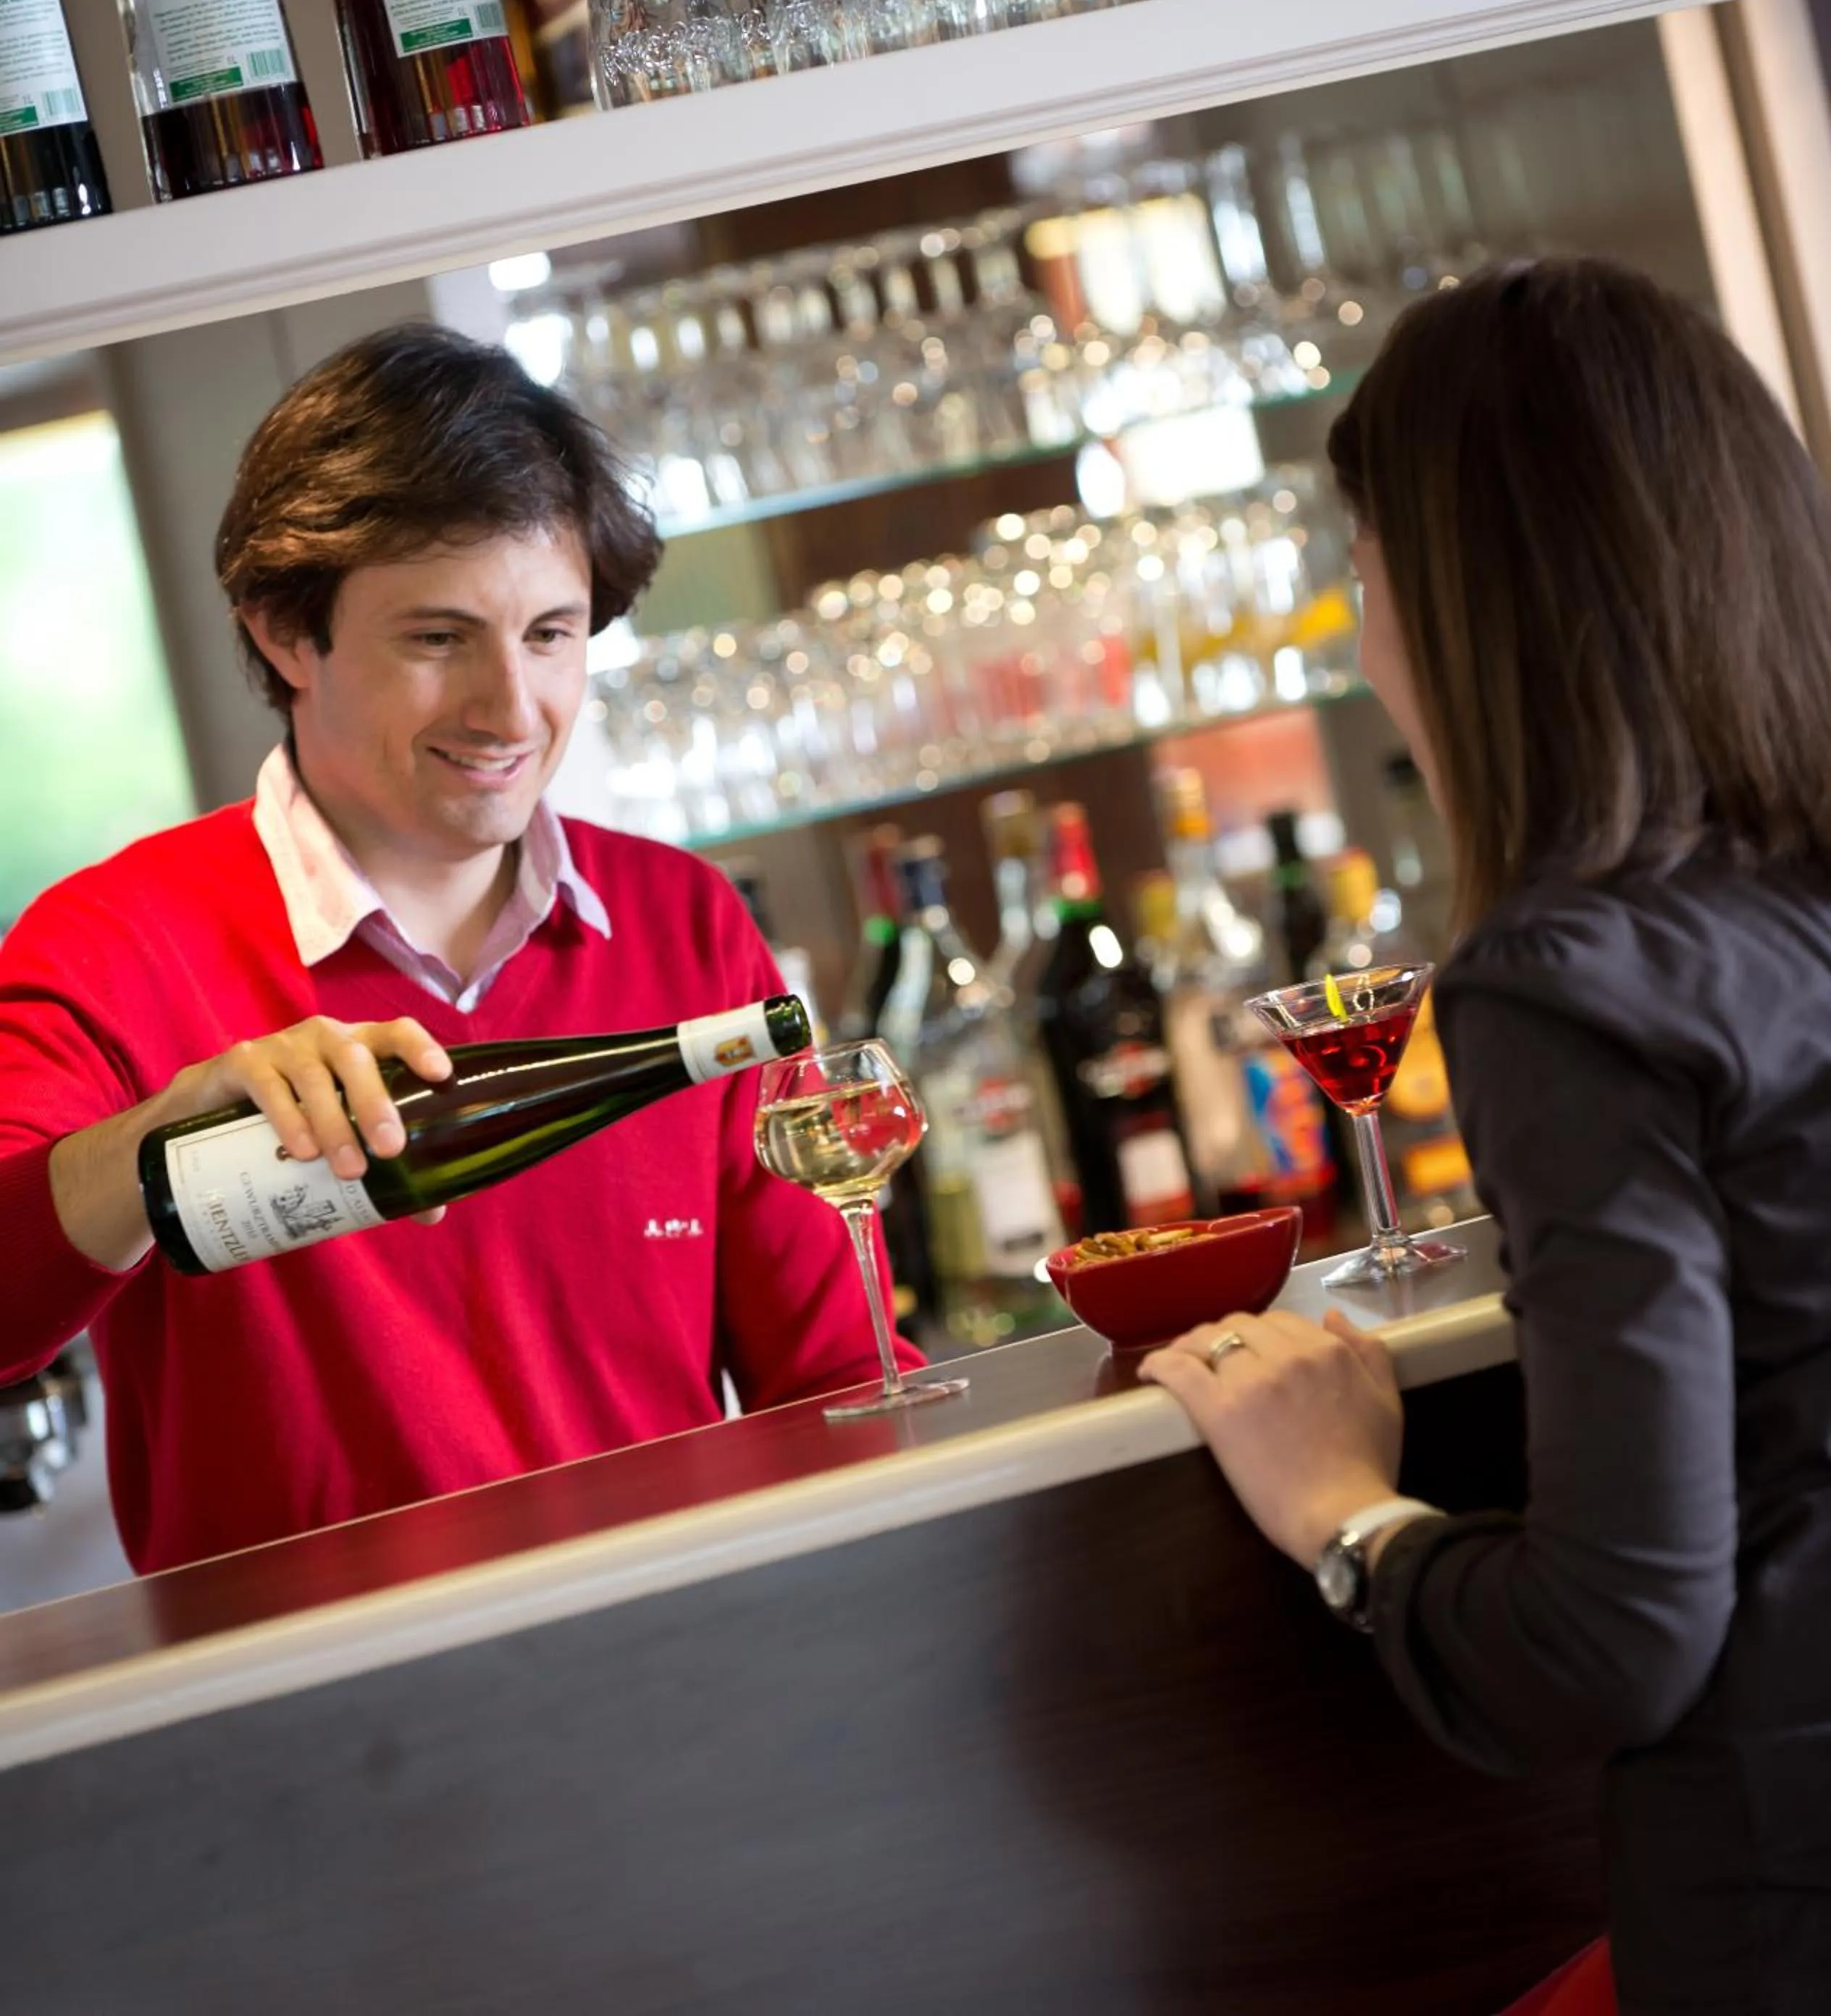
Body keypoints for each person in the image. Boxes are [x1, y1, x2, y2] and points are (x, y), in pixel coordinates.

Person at [1142, 260, 1831, 2014]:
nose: (1362, 642)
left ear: (1459, 604)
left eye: (1361, 574)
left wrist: (1344, 1515)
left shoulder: (1567, 977)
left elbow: (1611, 1635)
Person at [0, 324, 918, 1576]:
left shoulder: (682, 923)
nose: (508, 709)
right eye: (438, 640)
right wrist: (160, 1134)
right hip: (304, 1728)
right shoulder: (111, 943)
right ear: (283, 631)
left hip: (678, 1671)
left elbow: (833, 1375)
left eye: (550, 635)